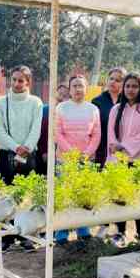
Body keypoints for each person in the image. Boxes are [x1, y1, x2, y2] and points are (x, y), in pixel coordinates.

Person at [0, 65, 43, 251]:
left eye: (21, 80)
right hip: (8, 154)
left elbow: (36, 128)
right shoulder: (0, 102)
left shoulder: (35, 102)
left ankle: (26, 235)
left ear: (28, 82)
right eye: (13, 79)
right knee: (8, 196)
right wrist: (15, 147)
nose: (16, 83)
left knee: (27, 196)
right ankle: (8, 236)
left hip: (29, 154)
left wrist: (26, 147)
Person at [107, 72, 140, 247]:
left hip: (138, 161)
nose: (130, 89)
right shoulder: (115, 110)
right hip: (118, 160)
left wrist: (124, 146)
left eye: (134, 86)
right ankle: (119, 232)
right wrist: (116, 148)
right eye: (127, 86)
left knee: (138, 198)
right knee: (120, 197)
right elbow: (111, 135)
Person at [53, 75, 101, 245]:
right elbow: (57, 134)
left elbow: (96, 135)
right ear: (69, 89)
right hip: (65, 159)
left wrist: (86, 154)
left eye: (81, 86)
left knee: (83, 195)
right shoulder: (61, 108)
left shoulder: (93, 109)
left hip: (86, 160)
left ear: (86, 88)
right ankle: (61, 232)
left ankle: (83, 229)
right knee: (65, 196)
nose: (78, 89)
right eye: (74, 86)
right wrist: (72, 153)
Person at [93, 67, 127, 167]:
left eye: (118, 80)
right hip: (101, 147)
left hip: (122, 148)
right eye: (111, 79)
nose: (113, 82)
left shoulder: (127, 102)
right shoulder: (97, 101)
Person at [36, 83, 69, 175]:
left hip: (62, 154)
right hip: (44, 152)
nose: (61, 97)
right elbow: (40, 134)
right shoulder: (43, 110)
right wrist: (44, 151)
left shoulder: (68, 113)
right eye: (60, 93)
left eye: (65, 95)